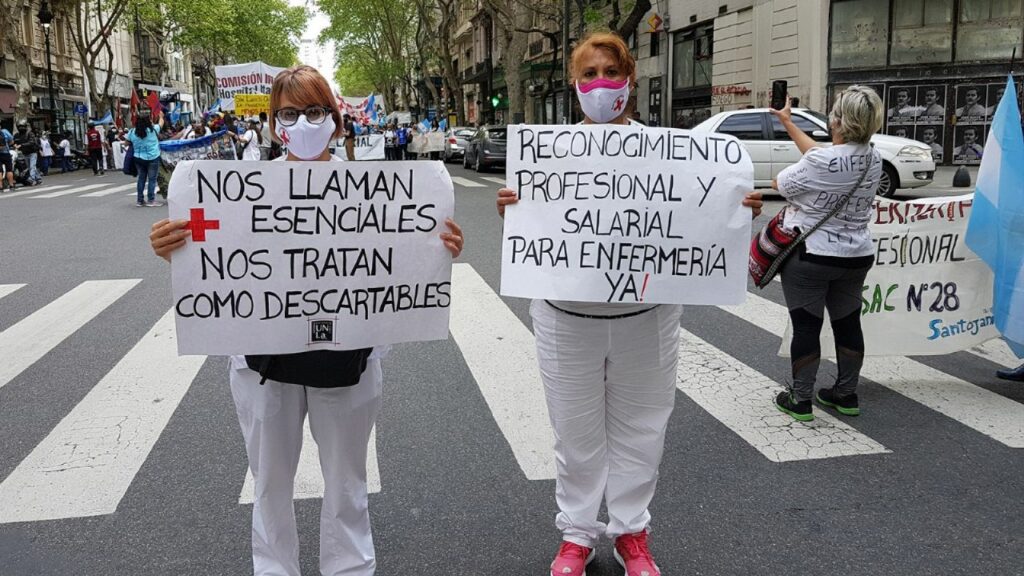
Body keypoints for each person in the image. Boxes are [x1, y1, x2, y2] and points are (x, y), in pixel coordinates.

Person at [149, 65, 464, 576]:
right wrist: (175, 252)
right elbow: (214, 263)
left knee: (346, 483)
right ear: (275, 125)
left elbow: (404, 257)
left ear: (337, 123)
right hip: (263, 366)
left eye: (315, 111)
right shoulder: (236, 193)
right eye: (290, 113)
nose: (303, 122)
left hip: (349, 363)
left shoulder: (379, 193)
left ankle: (350, 569)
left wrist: (439, 249)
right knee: (270, 484)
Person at [496, 32, 762, 576]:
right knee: (575, 433)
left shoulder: (674, 156)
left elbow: (698, 217)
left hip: (648, 319)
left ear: (630, 81)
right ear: (575, 87)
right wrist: (515, 212)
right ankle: (576, 533)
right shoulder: (549, 156)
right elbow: (539, 230)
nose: (600, 84)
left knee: (643, 429)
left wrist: (735, 209)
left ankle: (630, 532)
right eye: (588, 74)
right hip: (566, 320)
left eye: (610, 73)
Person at [768, 86, 884, 422]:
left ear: (837, 121)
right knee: (848, 322)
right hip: (857, 257)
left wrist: (789, 127)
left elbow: (781, 183)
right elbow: (821, 157)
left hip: (812, 256)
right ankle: (846, 394)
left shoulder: (824, 161)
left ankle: (800, 398)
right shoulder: (873, 157)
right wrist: (788, 123)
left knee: (806, 327)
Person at [126, 113, 164, 207]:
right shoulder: (153, 130)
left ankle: (140, 200)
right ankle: (151, 200)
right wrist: (160, 116)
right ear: (148, 121)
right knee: (152, 179)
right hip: (153, 157)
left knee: (141, 179)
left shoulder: (132, 132)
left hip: (138, 158)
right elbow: (161, 123)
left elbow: (126, 143)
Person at [0, 125, 15, 192]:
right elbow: (12, 141)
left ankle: (0, 187)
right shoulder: (5, 131)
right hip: (6, 153)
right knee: (9, 169)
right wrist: (6, 145)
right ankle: (11, 185)